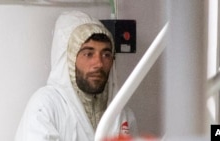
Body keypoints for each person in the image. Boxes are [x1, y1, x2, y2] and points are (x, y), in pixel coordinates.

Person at [15, 11, 138, 141]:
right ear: (69, 59)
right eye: (88, 54)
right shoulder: (46, 106)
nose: (99, 63)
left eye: (106, 54)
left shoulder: (121, 114)